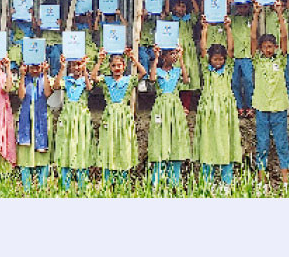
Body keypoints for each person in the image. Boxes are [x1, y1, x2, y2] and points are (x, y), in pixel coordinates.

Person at [195, 19, 241, 191]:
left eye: (221, 59)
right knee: (208, 141)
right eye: (215, 59)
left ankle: (226, 181)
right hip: (208, 109)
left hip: (225, 109)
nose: (218, 62)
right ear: (210, 59)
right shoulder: (206, 70)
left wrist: (228, 28)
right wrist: (205, 29)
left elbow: (231, 50)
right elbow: (202, 49)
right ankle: (206, 181)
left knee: (225, 141)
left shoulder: (227, 69)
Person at [251, 0, 289, 188]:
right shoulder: (258, 61)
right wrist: (256, 13)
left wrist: (279, 14)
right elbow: (252, 38)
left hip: (278, 108)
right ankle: (262, 182)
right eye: (264, 46)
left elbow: (284, 38)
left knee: (282, 144)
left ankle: (285, 181)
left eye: (271, 46)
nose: (268, 49)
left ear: (274, 48)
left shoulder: (281, 60)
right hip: (262, 107)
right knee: (262, 145)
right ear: (260, 49)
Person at [94, 48, 146, 184]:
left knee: (124, 143)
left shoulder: (129, 80)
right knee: (109, 144)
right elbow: (93, 77)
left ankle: (122, 180)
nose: (117, 68)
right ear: (110, 67)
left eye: (119, 65)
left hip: (123, 116)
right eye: (113, 66)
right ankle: (108, 179)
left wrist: (133, 58)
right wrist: (100, 61)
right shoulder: (106, 80)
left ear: (124, 66)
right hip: (110, 115)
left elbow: (143, 72)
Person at [147, 45, 191, 188]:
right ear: (165, 56)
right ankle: (157, 180)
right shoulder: (158, 71)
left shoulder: (177, 71)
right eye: (171, 54)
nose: (174, 56)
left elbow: (185, 80)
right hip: (161, 106)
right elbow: (152, 79)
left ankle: (174, 181)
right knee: (160, 139)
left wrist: (182, 58)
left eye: (175, 54)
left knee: (175, 139)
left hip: (175, 107)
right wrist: (156, 57)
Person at [53, 54, 96, 192]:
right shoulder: (67, 80)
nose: (77, 68)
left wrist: (85, 70)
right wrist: (62, 68)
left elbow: (89, 88)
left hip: (81, 117)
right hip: (67, 117)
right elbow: (55, 86)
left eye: (79, 64)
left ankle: (82, 183)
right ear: (70, 67)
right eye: (74, 65)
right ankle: (65, 184)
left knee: (81, 146)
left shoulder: (85, 80)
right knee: (66, 146)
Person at [17, 60, 53, 192]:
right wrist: (21, 76)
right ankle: (26, 186)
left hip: (41, 117)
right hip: (27, 117)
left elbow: (48, 93)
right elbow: (21, 96)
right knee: (26, 148)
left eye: (38, 66)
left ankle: (42, 185)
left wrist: (45, 73)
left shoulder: (44, 78)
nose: (35, 69)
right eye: (32, 66)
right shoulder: (25, 79)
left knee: (42, 149)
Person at [164, 0, 200, 114]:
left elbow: (197, 11)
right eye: (179, 6)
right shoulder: (171, 19)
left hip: (188, 51)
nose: (181, 9)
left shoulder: (189, 19)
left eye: (183, 6)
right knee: (175, 73)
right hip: (175, 48)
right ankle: (176, 103)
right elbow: (167, 12)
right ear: (174, 8)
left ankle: (186, 105)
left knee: (188, 74)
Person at [230, 0, 255, 118]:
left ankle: (249, 106)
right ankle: (239, 106)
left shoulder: (251, 18)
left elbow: (257, 10)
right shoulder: (232, 19)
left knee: (248, 82)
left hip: (247, 56)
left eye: (245, 7)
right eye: (239, 7)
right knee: (235, 82)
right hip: (234, 55)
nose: (242, 10)